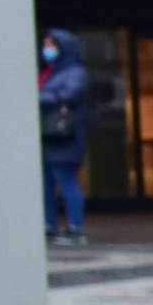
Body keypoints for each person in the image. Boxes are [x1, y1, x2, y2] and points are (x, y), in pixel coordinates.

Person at [37, 28, 92, 245]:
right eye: (46, 45)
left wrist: (40, 97)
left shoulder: (75, 72)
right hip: (50, 136)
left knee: (66, 180)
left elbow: (68, 94)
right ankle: (49, 225)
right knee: (46, 182)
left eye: (51, 45)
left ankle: (75, 228)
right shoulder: (50, 72)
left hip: (66, 136)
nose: (47, 49)